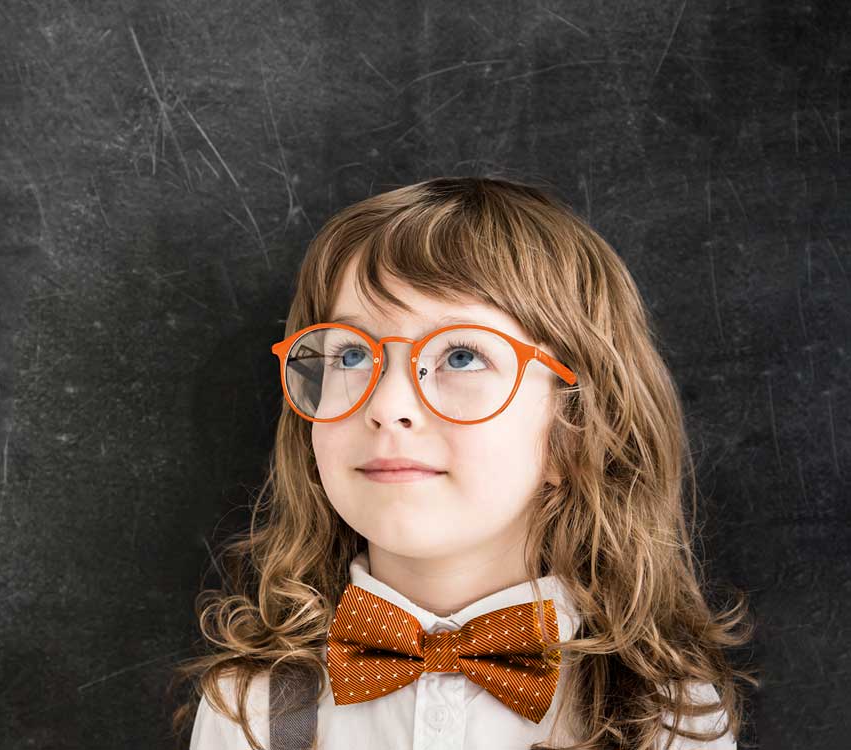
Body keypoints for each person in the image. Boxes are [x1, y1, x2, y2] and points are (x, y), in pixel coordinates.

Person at [169, 176, 758, 749]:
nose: (388, 406)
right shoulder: (249, 711)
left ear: (574, 430)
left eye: (461, 355)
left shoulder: (667, 722)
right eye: (351, 353)